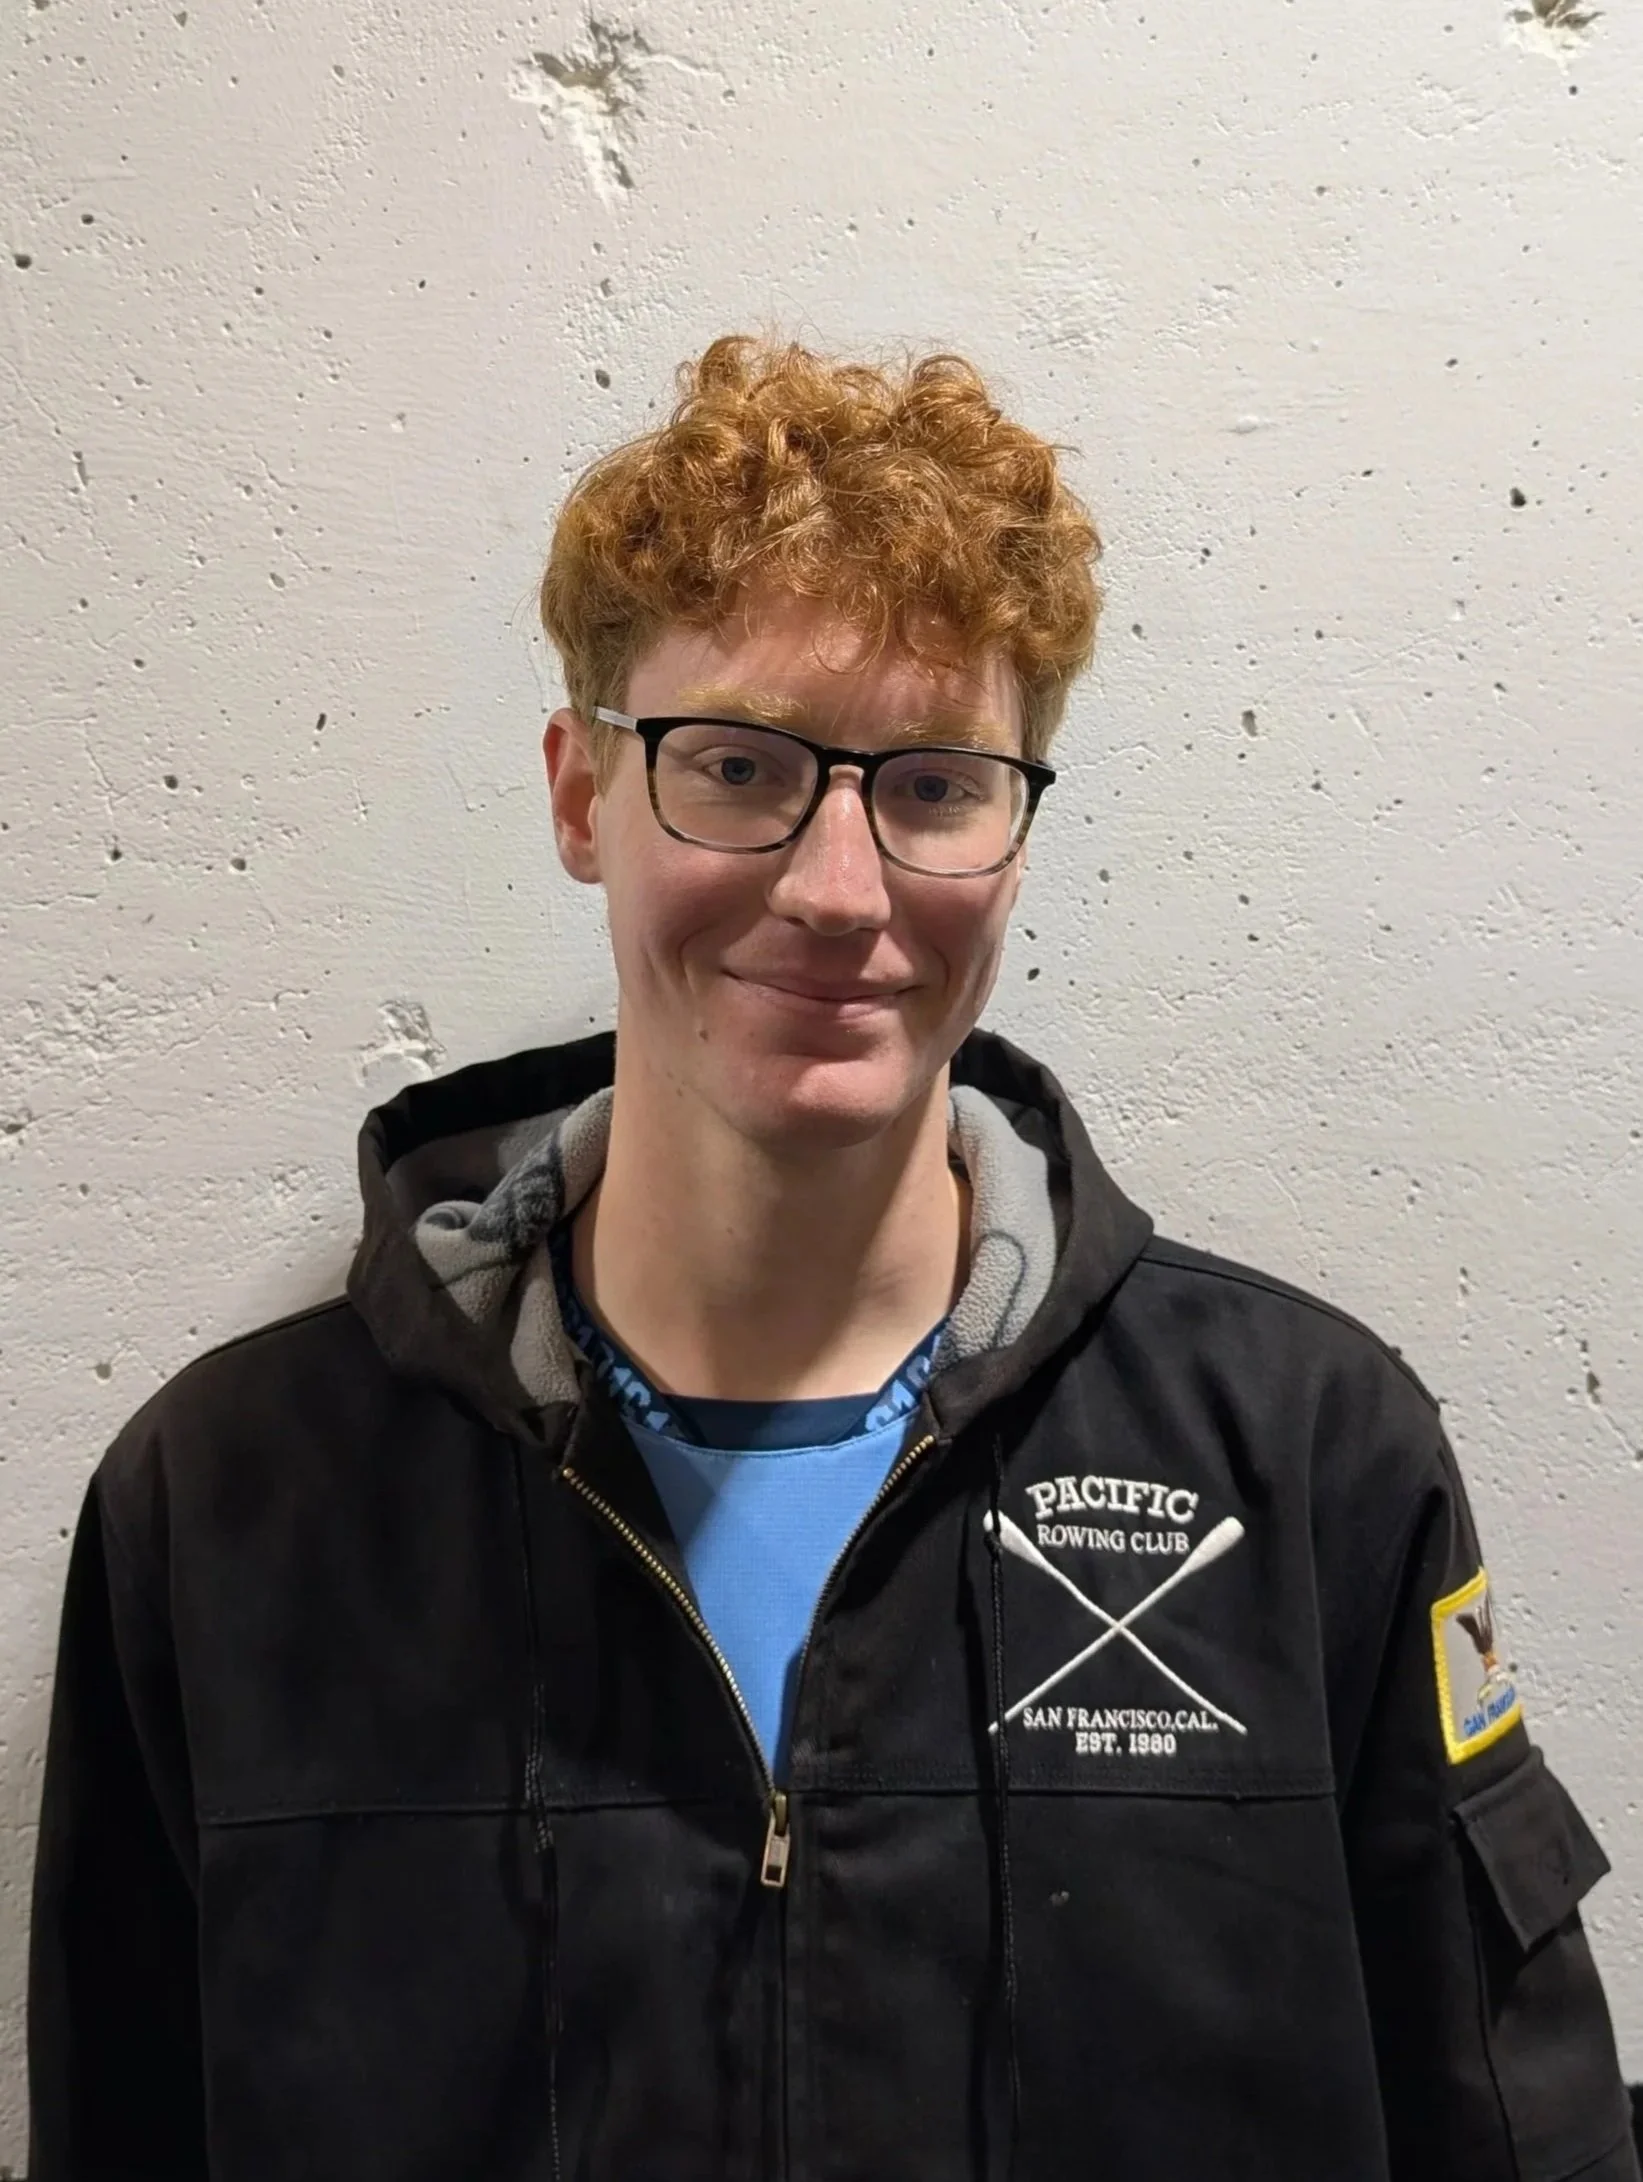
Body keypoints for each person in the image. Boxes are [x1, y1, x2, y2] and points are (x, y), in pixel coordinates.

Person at [26, 331, 1638, 2182]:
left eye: (934, 785)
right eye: (735, 765)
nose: (837, 887)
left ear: (1015, 834)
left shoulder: (1304, 1464)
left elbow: (1514, 2127)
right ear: (580, 794)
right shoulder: (229, 1509)